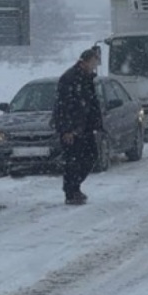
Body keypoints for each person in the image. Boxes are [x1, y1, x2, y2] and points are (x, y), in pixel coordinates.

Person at [53, 47, 103, 205]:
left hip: (85, 127)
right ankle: (71, 191)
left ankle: (75, 187)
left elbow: (91, 103)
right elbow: (64, 106)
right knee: (73, 160)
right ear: (86, 61)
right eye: (95, 62)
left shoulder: (87, 78)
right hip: (72, 128)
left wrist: (96, 123)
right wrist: (67, 129)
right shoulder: (70, 78)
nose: (96, 66)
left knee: (90, 156)